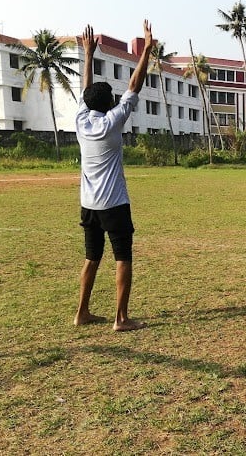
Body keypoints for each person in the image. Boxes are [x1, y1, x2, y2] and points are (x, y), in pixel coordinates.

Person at [74, 21, 153, 332]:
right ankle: (121, 319)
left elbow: (87, 90)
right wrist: (146, 50)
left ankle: (82, 312)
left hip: (88, 204)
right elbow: (134, 85)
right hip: (114, 204)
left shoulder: (82, 119)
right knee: (123, 258)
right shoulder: (112, 122)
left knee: (92, 258)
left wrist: (88, 55)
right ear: (107, 103)